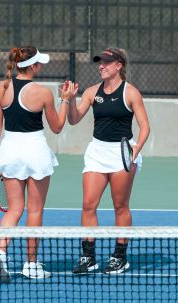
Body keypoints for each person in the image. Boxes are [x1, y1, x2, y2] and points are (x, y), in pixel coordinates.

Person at [0, 45, 74, 282]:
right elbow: (57, 127)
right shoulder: (43, 92)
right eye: (40, 63)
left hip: (10, 151)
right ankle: (31, 264)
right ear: (33, 66)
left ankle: (1, 253)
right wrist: (65, 100)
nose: (41, 67)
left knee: (15, 209)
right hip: (35, 151)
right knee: (34, 210)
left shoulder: (0, 88)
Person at [66, 48, 150, 274]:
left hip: (122, 152)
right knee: (88, 205)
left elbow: (145, 127)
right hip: (97, 152)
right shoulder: (93, 91)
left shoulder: (131, 93)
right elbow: (73, 120)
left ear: (119, 65)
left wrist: (136, 148)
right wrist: (70, 101)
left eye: (106, 62)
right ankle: (88, 257)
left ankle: (119, 256)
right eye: (99, 62)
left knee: (120, 206)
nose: (101, 66)